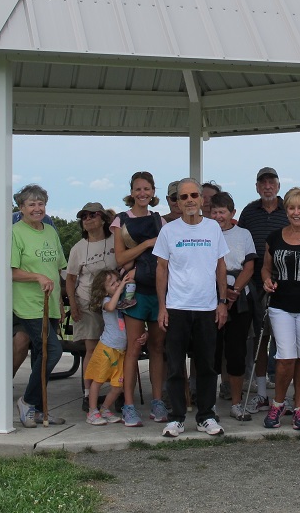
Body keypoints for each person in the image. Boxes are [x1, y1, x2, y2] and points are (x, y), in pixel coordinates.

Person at [154, 178, 230, 438]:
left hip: (207, 307)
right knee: (176, 367)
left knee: (207, 366)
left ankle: (206, 416)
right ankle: (176, 418)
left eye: (193, 195)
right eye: (183, 197)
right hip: (177, 307)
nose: (189, 201)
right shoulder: (169, 231)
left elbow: (221, 266)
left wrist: (222, 302)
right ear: (177, 201)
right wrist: (162, 307)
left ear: (201, 199)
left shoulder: (212, 228)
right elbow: (161, 269)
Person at [7, 184, 68, 428]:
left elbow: (57, 268)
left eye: (40, 203)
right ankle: (28, 402)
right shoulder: (15, 232)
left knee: (40, 356)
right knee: (52, 351)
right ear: (21, 208)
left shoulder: (50, 231)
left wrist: (60, 303)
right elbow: (11, 271)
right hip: (28, 304)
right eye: (31, 204)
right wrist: (36, 277)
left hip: (49, 302)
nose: (37, 208)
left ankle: (40, 411)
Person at [111, 171, 168, 427]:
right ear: (131, 192)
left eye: (147, 189)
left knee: (157, 347)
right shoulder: (120, 221)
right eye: (138, 189)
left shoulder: (160, 220)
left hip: (157, 290)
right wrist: (146, 245)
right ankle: (128, 404)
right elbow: (120, 258)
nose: (142, 193)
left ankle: (157, 401)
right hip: (134, 291)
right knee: (133, 348)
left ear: (153, 192)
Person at [262, 187, 300, 430]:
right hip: (280, 305)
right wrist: (266, 280)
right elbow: (266, 268)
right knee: (285, 357)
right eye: (292, 208)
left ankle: (299, 408)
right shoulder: (274, 237)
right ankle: (278, 404)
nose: (296, 212)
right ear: (286, 210)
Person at [239, 166, 289, 413]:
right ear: (257, 187)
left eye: (272, 182)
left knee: (286, 343)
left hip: (288, 284)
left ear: (278, 186)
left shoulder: (289, 209)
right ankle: (260, 393)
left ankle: (283, 395)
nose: (267, 187)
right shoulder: (249, 212)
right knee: (261, 339)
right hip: (257, 286)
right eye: (263, 183)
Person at [65, 201, 117, 413]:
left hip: (114, 303)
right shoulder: (78, 248)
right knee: (92, 348)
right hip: (87, 302)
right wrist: (73, 304)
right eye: (84, 216)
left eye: (92, 215)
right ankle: (88, 393)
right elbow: (70, 278)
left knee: (116, 348)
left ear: (103, 218)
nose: (87, 219)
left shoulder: (115, 240)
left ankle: (116, 392)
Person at [210, 191, 256, 421]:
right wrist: (221, 292)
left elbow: (249, 266)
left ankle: (237, 403)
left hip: (238, 297)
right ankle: (209, 405)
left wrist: (234, 291)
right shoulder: (206, 233)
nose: (219, 216)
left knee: (236, 352)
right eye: (214, 212)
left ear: (232, 213)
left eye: (223, 212)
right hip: (210, 296)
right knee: (211, 351)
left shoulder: (243, 234)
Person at [85, 269, 134, 425]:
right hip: (106, 348)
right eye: (112, 284)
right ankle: (92, 411)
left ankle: (104, 409)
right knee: (98, 381)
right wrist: (121, 288)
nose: (117, 284)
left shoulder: (122, 301)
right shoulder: (106, 301)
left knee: (118, 385)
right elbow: (111, 308)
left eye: (118, 281)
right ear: (104, 290)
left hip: (119, 350)